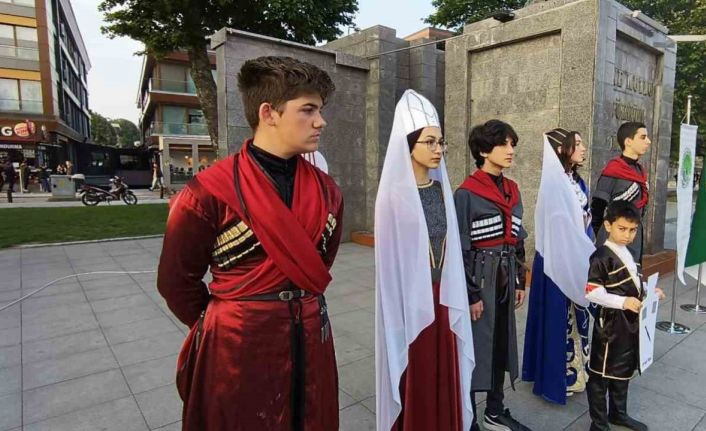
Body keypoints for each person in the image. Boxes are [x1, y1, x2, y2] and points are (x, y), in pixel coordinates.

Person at [157, 56, 343, 431]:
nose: (320, 121)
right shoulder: (208, 192)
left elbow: (320, 263)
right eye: (308, 110)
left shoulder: (328, 191)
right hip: (237, 342)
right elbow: (176, 282)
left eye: (319, 110)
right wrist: (228, 320)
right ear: (268, 113)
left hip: (311, 335)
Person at [375, 90, 474, 431]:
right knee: (417, 370)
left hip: (442, 297)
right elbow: (389, 264)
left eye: (440, 142)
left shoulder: (440, 190)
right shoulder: (392, 197)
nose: (438, 149)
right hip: (410, 302)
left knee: (442, 371)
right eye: (429, 142)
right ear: (408, 144)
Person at [454, 120, 531, 431]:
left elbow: (517, 239)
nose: (510, 150)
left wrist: (519, 280)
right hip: (479, 277)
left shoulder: (512, 189)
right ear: (484, 151)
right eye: (504, 144)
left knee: (502, 343)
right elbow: (460, 248)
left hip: (505, 276)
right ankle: (469, 417)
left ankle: (495, 411)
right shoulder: (466, 193)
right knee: (476, 347)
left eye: (512, 144)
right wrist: (471, 294)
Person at [523, 128, 594, 404]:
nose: (583, 148)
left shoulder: (576, 181)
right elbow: (558, 227)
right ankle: (557, 378)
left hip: (577, 256)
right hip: (557, 260)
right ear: (562, 149)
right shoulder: (553, 185)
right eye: (577, 144)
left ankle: (578, 372)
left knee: (577, 316)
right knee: (557, 320)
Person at [585, 201, 665, 431]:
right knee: (600, 375)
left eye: (633, 230)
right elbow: (592, 292)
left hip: (630, 323)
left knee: (623, 367)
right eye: (622, 229)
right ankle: (598, 424)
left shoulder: (629, 253)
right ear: (608, 225)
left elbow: (635, 283)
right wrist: (622, 302)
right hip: (610, 324)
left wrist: (649, 291)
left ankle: (618, 413)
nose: (628, 235)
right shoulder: (601, 257)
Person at [591, 122, 650, 263]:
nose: (648, 141)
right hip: (613, 241)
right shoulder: (613, 170)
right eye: (643, 137)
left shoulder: (640, 171)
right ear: (628, 141)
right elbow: (597, 208)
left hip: (634, 238)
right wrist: (602, 236)